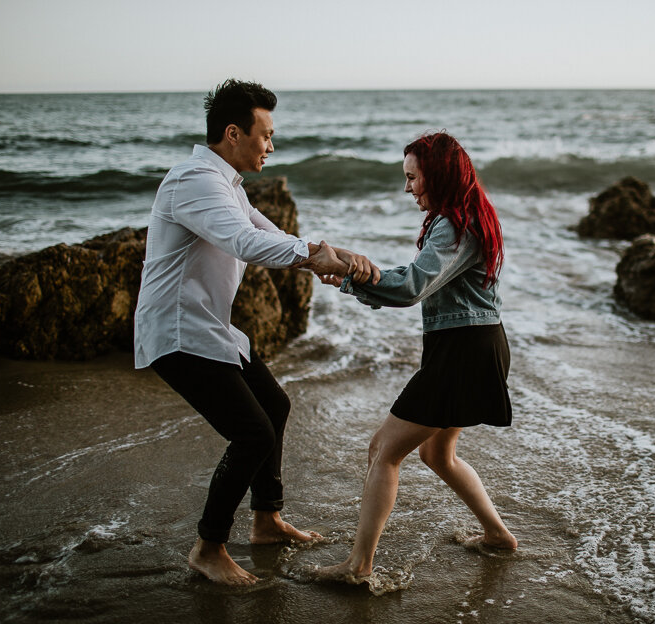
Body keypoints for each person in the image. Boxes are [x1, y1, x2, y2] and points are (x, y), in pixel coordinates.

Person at [133, 79, 379, 586]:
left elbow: (271, 235)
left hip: (208, 328)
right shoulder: (194, 181)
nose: (271, 145)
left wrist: (331, 259)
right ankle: (208, 547)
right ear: (232, 133)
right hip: (176, 333)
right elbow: (243, 241)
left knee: (276, 407)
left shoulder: (225, 184)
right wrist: (315, 257)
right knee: (252, 433)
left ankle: (266, 521)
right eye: (265, 134)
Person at [312, 132, 517, 584]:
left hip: (462, 352)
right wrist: (349, 273)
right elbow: (413, 279)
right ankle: (498, 536)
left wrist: (347, 268)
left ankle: (358, 566)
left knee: (383, 450)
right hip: (472, 345)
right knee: (437, 454)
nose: (408, 188)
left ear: (436, 175)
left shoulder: (453, 224)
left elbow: (410, 287)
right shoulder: (467, 216)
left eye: (412, 178)